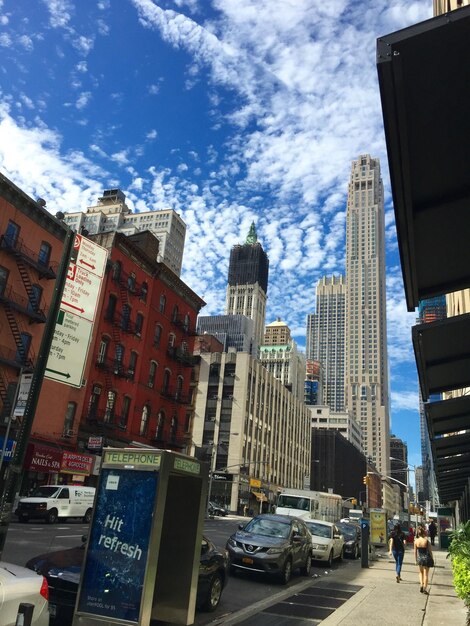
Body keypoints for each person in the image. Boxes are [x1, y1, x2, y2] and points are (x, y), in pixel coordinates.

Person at [414, 525, 434, 593]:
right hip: (426, 558)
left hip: (420, 558)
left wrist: (416, 560)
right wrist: (432, 558)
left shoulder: (416, 541)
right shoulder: (426, 541)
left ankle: (421, 585)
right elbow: (430, 551)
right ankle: (425, 588)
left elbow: (415, 552)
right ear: (423, 533)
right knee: (426, 574)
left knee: (420, 573)